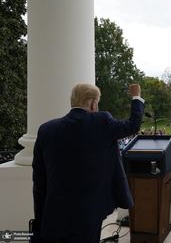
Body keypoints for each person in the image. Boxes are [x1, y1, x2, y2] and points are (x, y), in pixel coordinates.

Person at [32, 83, 144, 243]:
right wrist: (136, 96)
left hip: (54, 210)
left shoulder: (46, 129)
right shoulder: (102, 121)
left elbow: (39, 179)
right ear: (92, 103)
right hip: (88, 213)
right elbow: (133, 125)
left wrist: (39, 218)